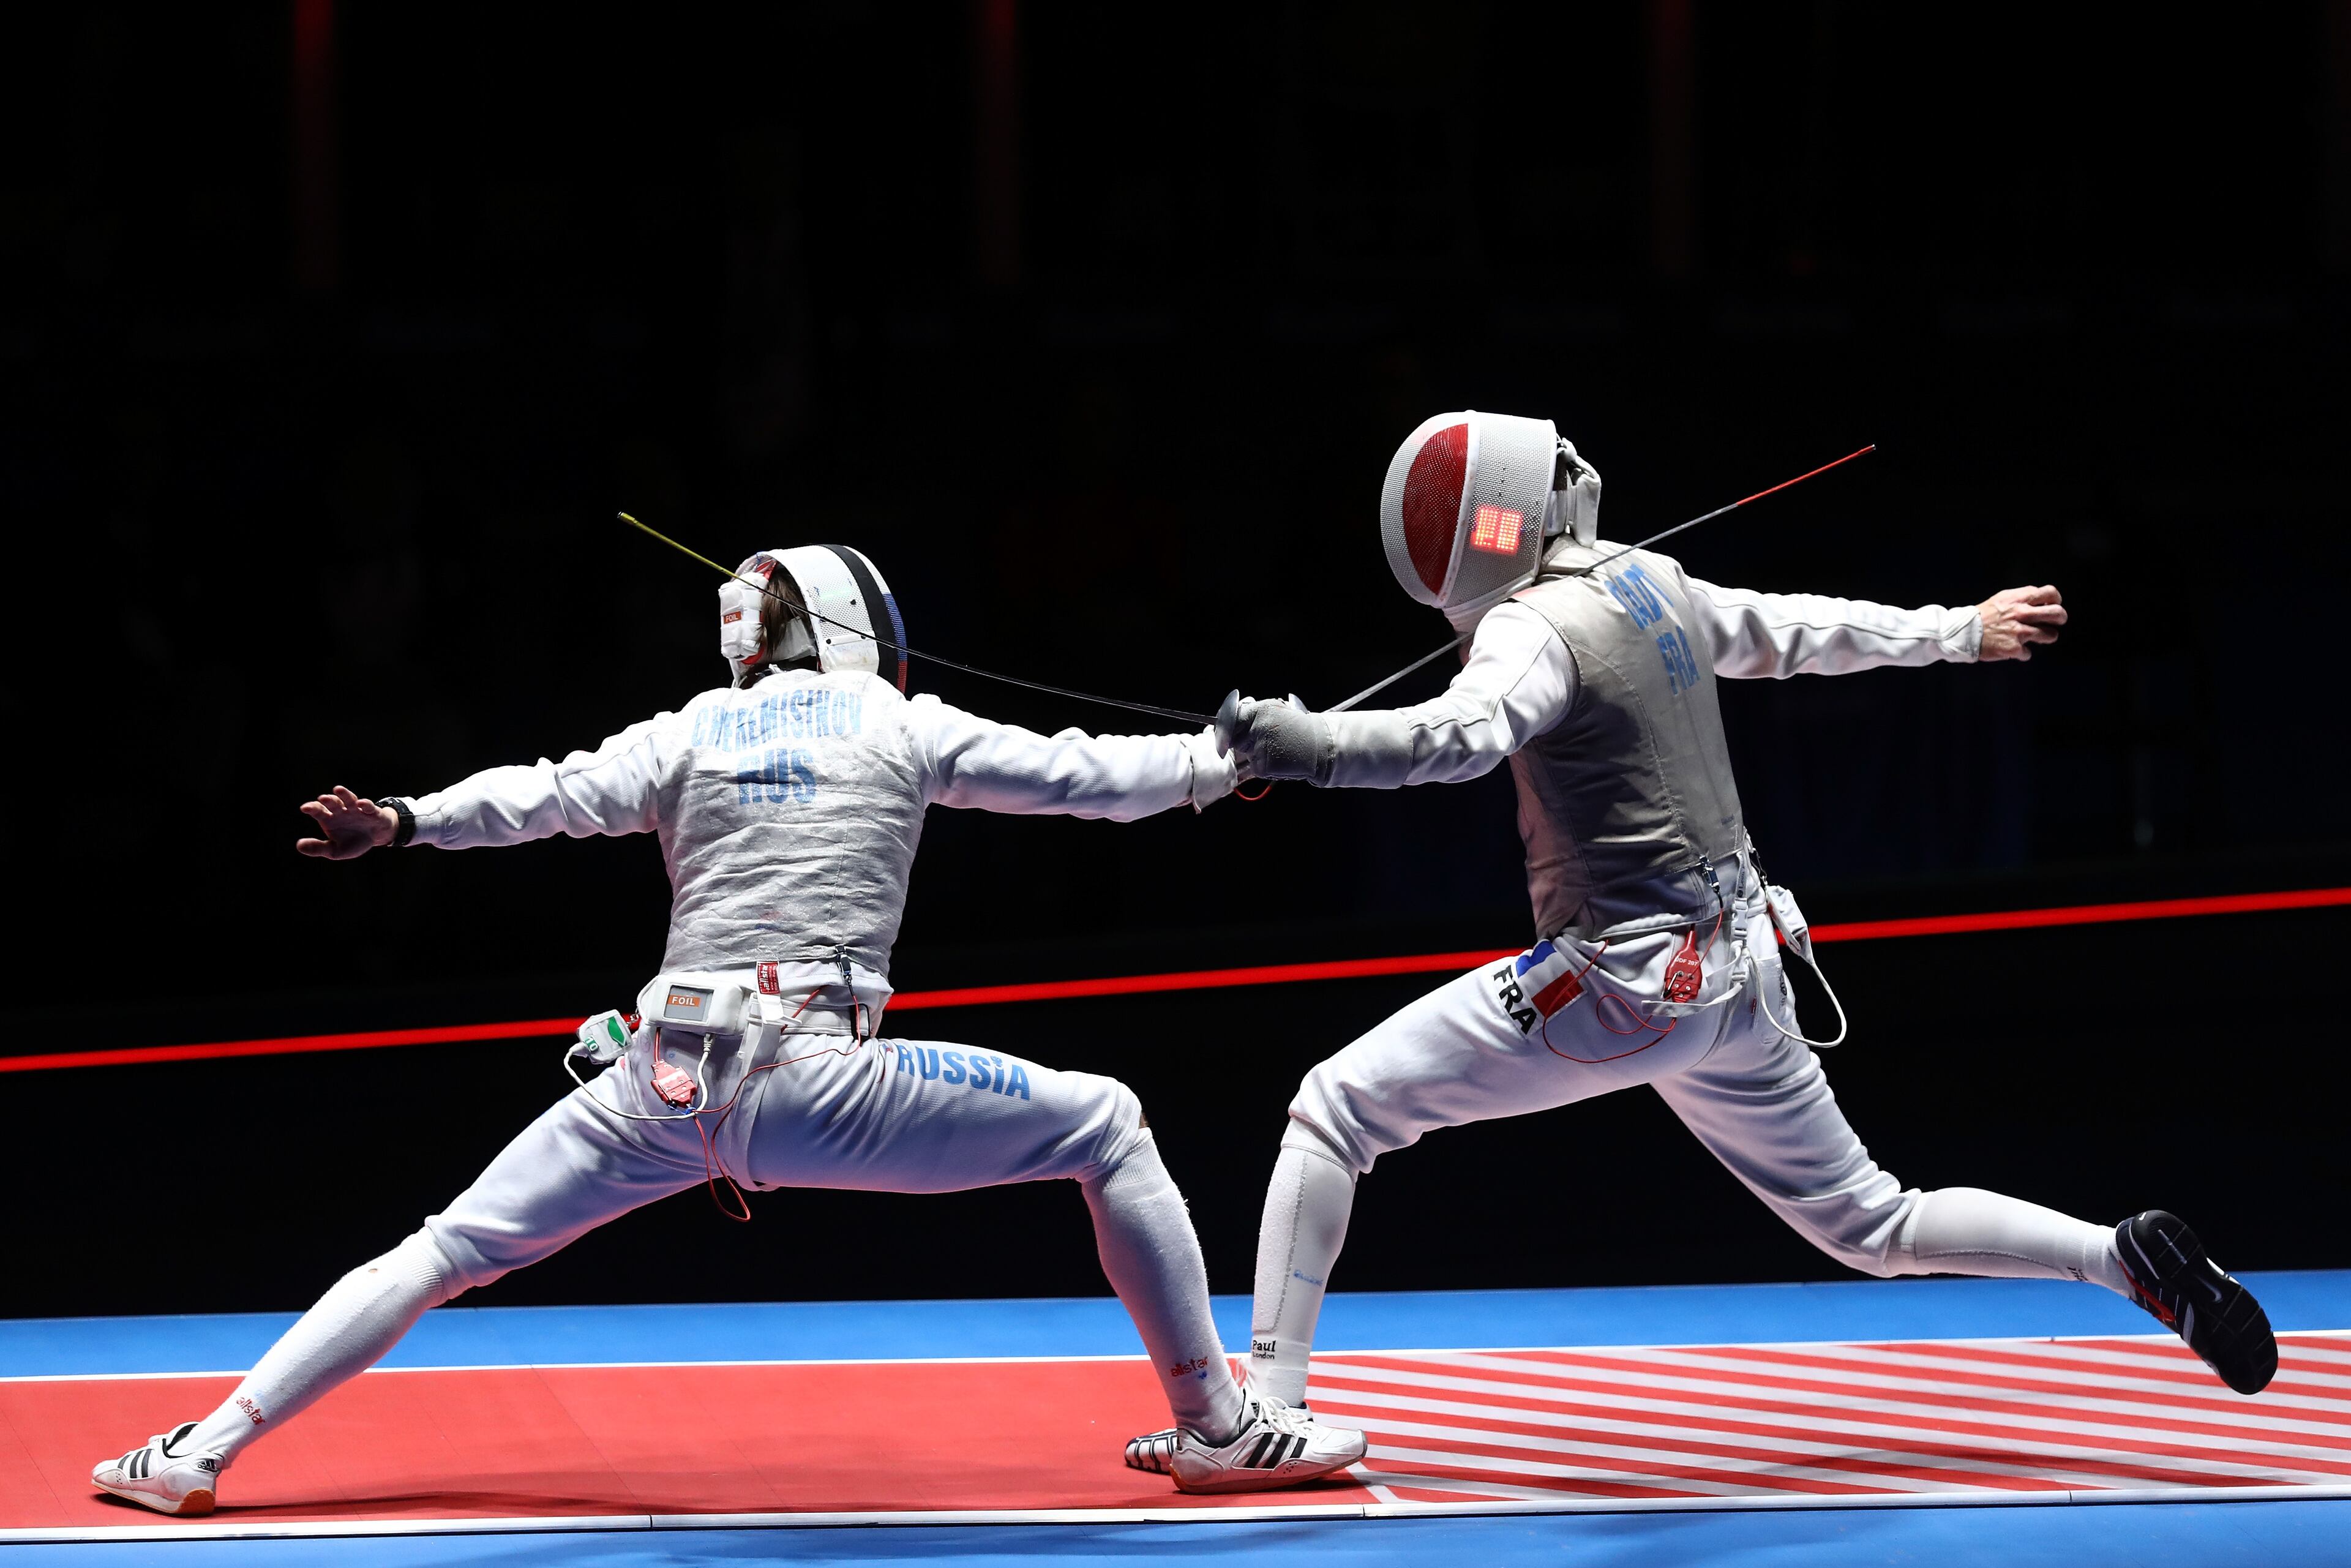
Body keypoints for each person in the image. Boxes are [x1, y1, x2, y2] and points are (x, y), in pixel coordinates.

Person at [92, 544, 1364, 1518]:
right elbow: (1080, 777)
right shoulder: (899, 723)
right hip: (819, 1077)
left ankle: (195, 1452)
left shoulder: (688, 729)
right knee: (1110, 1126)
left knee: (445, 1248)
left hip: (661, 1081)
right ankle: (1215, 1424)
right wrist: (1223, 759)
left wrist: (408, 821)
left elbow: (540, 799)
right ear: (852, 623)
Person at [1178, 411, 2277, 1441]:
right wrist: (1960, 630)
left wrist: (1299, 740)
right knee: (1870, 1222)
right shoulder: (1651, 583)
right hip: (1748, 969)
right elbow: (1797, 630)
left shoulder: (1527, 629)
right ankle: (2121, 1255)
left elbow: (1455, 739)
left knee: (1335, 1106)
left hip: (1623, 984)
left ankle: (1263, 1414)